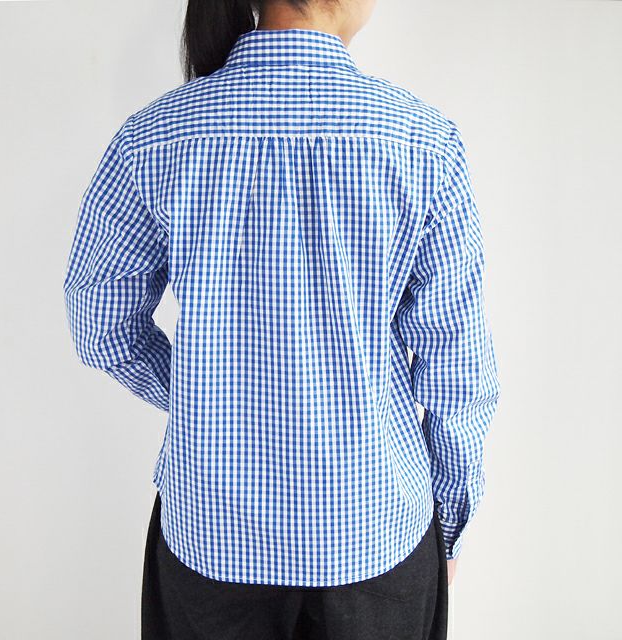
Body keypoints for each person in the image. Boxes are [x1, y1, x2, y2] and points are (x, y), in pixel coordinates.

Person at [62, 0, 501, 638]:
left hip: (211, 533)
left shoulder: (154, 138)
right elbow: (457, 366)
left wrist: (208, 397)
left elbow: (100, 322)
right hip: (374, 531)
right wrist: (451, 522)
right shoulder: (421, 142)